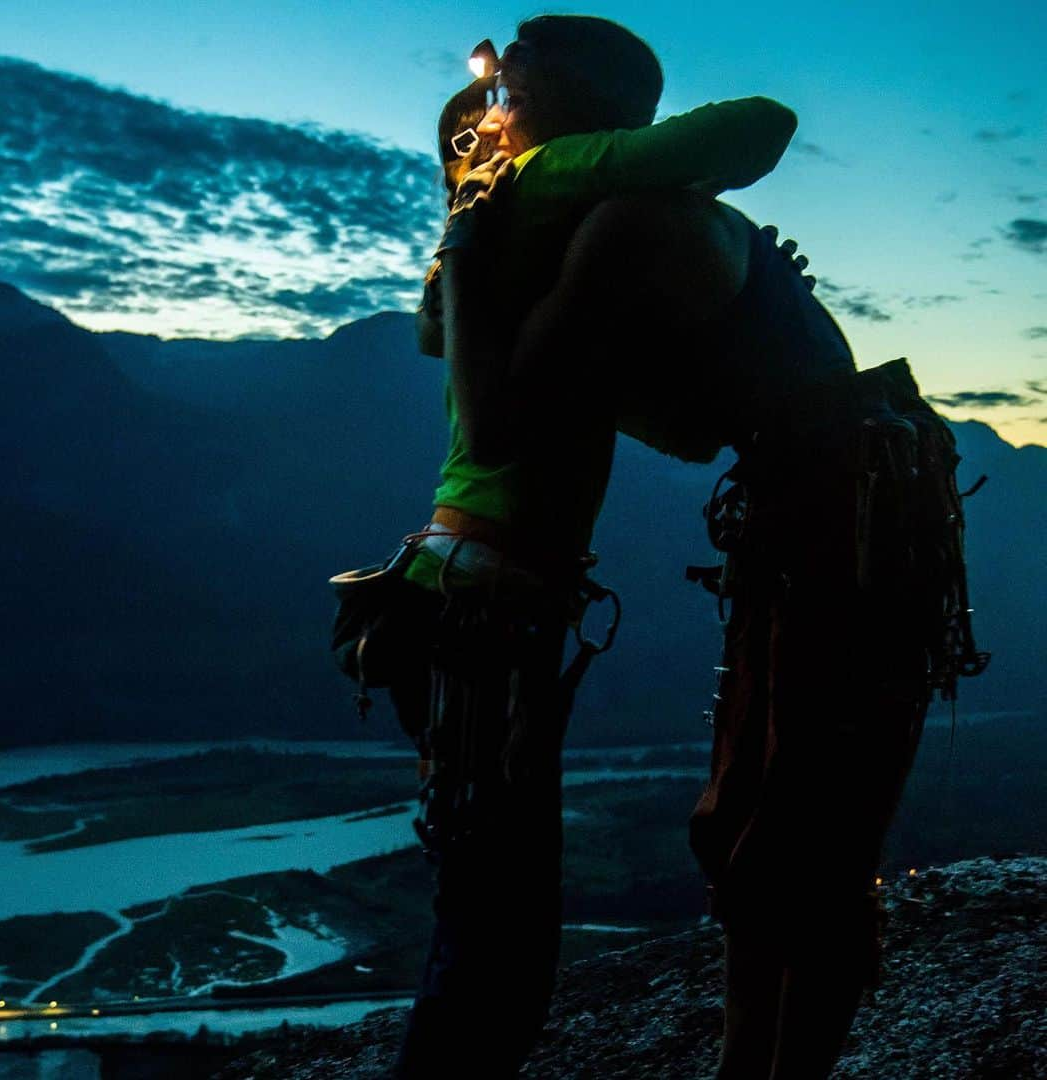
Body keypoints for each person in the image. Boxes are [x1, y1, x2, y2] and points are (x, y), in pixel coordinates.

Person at [426, 14, 984, 1079]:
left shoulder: (626, 228)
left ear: (557, 100)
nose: (492, 99)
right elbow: (687, 426)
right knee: (755, 830)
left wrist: (465, 238)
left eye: (510, 75)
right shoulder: (648, 228)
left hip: (845, 519)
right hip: (823, 509)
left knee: (800, 838)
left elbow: (495, 418)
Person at [385, 42, 799, 1080]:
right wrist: (656, 168)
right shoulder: (546, 173)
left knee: (485, 906)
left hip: (452, 589)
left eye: (505, 95)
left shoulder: (506, 246)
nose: (488, 115)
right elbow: (763, 122)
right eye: (491, 99)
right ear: (597, 131)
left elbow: (650, 417)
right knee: (497, 933)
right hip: (489, 599)